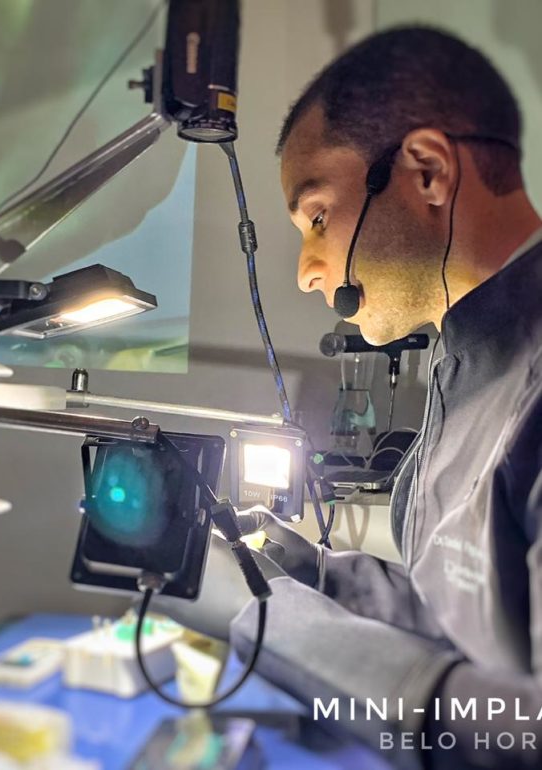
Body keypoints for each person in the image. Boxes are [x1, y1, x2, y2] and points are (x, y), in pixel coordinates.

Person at [158, 25, 542, 770]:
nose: (308, 271)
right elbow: (472, 627)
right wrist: (313, 576)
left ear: (427, 172)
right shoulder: (468, 364)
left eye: (318, 218)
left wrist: (270, 620)